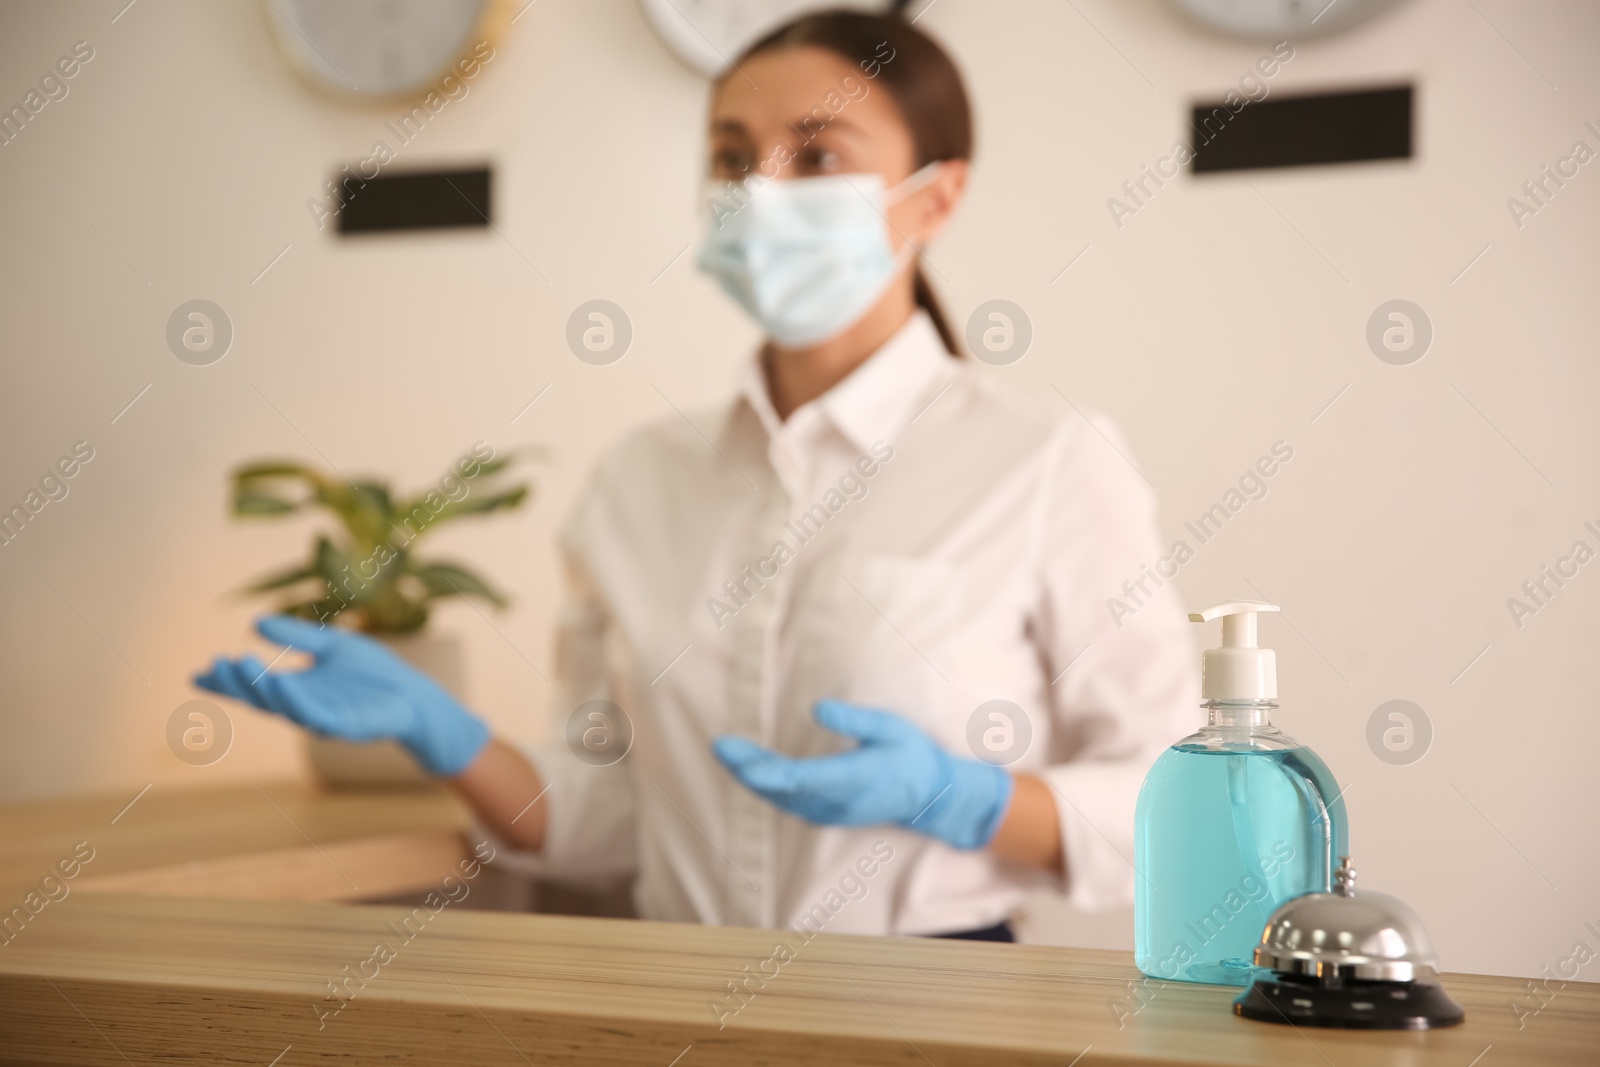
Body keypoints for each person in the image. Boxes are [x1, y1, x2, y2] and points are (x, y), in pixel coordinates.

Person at [196, 10, 1196, 942]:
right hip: (674, 996)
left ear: (935, 195)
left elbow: (1174, 804)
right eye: (730, 156)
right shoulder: (638, 481)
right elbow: (603, 822)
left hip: (934, 1002)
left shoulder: (1044, 462)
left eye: (816, 154)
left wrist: (964, 795)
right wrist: (446, 736)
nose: (760, 188)